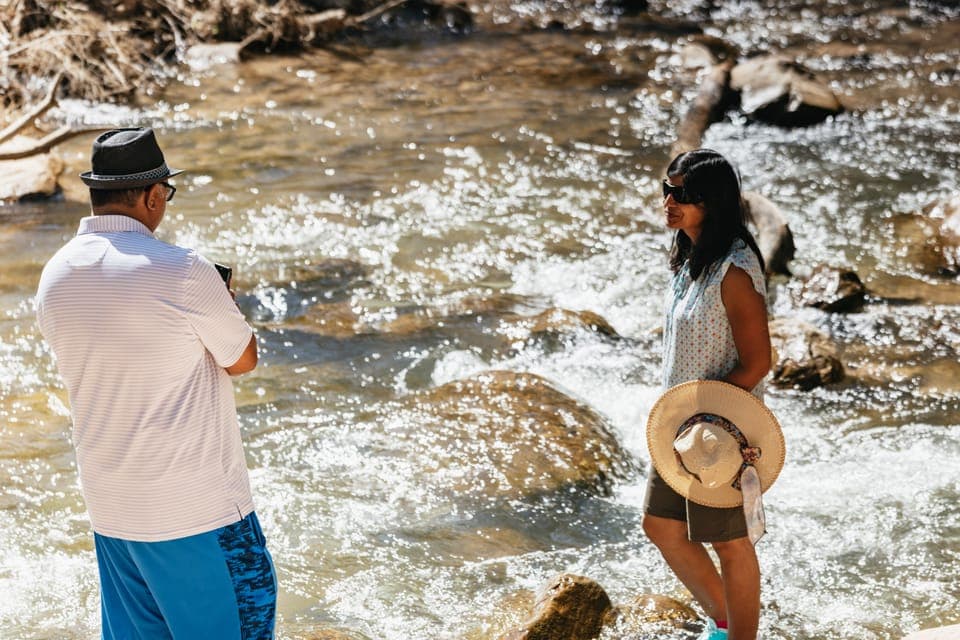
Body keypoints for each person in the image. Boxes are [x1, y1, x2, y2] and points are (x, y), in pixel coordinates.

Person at [35, 128, 277, 639]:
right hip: (196, 512)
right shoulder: (185, 270)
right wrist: (224, 302)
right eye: (165, 194)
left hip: (113, 512)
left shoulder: (54, 277)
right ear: (151, 196)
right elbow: (242, 359)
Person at [642, 148, 772, 640]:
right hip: (679, 426)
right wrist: (682, 415)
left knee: (733, 545)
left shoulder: (734, 271)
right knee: (661, 526)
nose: (670, 203)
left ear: (712, 203)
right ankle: (725, 622)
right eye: (667, 191)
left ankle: (741, 637)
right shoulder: (690, 256)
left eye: (684, 196)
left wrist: (706, 416)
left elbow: (759, 362)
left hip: (719, 434)